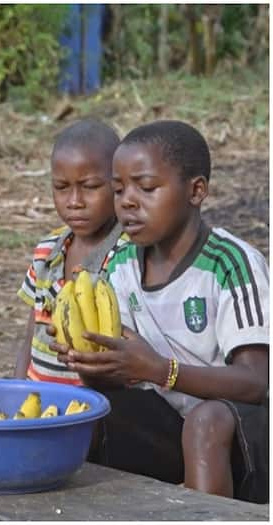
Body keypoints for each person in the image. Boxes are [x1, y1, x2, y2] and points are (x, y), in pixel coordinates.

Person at [51, 120, 269, 503]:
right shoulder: (120, 267)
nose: (128, 202)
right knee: (90, 412)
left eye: (147, 188)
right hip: (172, 423)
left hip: (246, 435)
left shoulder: (230, 264)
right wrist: (93, 363)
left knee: (205, 423)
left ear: (196, 191)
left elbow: (254, 382)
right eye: (119, 190)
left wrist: (160, 370)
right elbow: (123, 382)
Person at [15, 119, 128, 384]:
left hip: (96, 406)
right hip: (38, 402)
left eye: (89, 187)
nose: (75, 202)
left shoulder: (127, 258)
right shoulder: (46, 252)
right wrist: (18, 388)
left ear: (118, 184)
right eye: (62, 188)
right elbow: (31, 335)